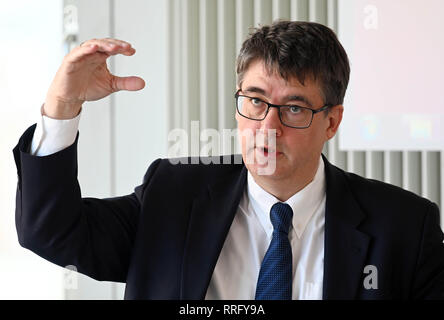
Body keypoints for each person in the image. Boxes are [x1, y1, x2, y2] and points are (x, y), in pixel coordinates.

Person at [13, 21, 444, 300]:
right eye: (254, 101)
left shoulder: (405, 227)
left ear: (331, 121)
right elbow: (50, 232)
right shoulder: (173, 195)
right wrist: (62, 105)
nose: (267, 127)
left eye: (294, 108)